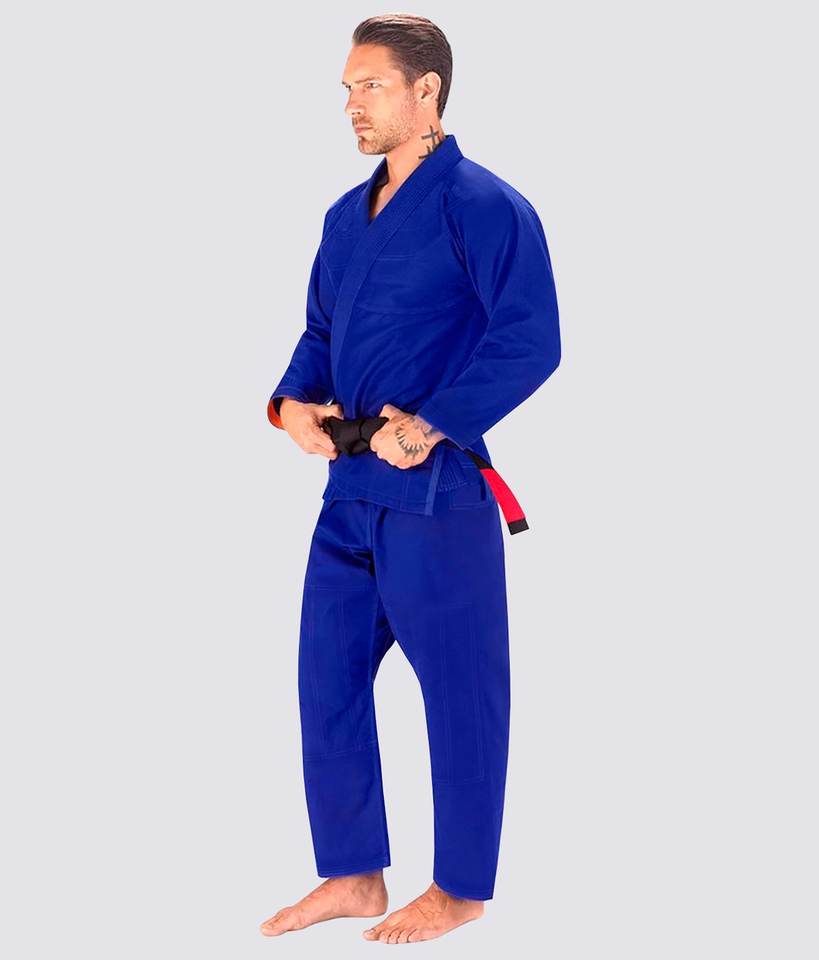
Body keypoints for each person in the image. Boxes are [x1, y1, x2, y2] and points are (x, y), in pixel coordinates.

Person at [260, 14, 560, 944]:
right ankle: (354, 874)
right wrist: (289, 404)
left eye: (372, 85)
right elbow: (319, 333)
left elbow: (531, 340)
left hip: (437, 494)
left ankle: (461, 889)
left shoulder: (484, 205)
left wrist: (432, 422)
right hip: (350, 492)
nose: (353, 104)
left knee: (462, 693)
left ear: (426, 92)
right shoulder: (341, 218)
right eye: (348, 89)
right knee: (327, 682)